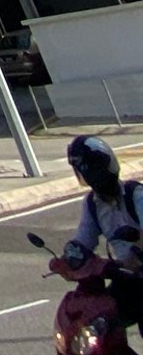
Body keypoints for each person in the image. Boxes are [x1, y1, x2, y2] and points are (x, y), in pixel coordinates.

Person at [60, 135, 143, 325]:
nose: (88, 178)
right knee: (98, 318)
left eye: (90, 171)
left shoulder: (135, 194)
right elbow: (84, 239)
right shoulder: (92, 204)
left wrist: (136, 253)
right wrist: (68, 258)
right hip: (126, 277)